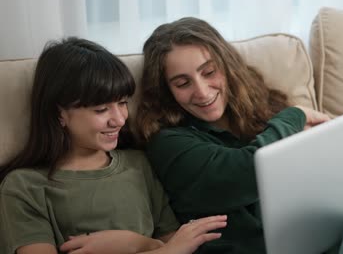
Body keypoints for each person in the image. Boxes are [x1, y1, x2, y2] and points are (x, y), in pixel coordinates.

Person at [136, 17, 343, 254]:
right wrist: (295, 116)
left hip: (329, 243)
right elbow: (245, 172)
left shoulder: (263, 110)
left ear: (226, 66)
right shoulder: (170, 143)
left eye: (208, 72)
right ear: (166, 91)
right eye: (182, 83)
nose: (202, 92)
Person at [0, 37, 227, 254]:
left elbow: (175, 245)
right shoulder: (24, 187)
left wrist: (135, 244)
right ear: (59, 113)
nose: (119, 120)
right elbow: (172, 249)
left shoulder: (139, 164)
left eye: (122, 103)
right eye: (101, 109)